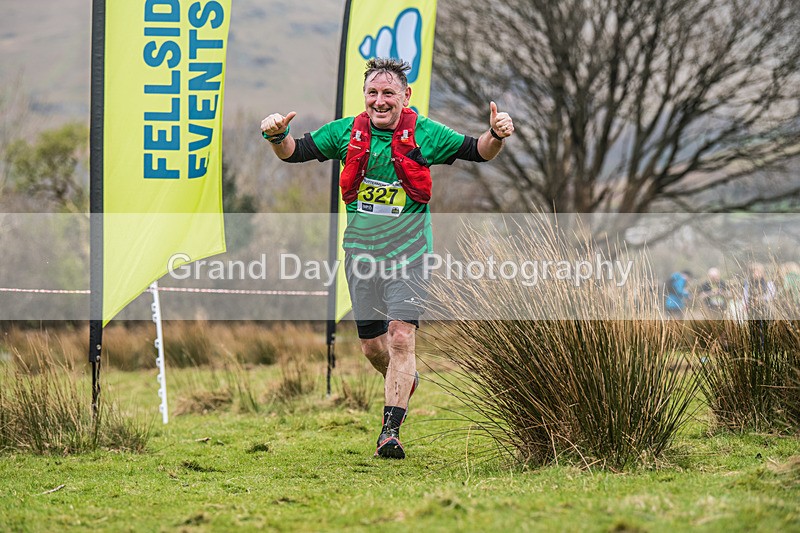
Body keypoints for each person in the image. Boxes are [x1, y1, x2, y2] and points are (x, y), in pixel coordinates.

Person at [260, 58, 514, 459]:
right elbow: (294, 153)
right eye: (373, 93)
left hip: (411, 255)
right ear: (365, 97)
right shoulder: (345, 132)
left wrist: (496, 135)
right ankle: (404, 378)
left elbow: (478, 151)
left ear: (405, 96)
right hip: (361, 255)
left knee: (400, 336)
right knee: (373, 348)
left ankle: (389, 432)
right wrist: (277, 135)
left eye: (388, 93)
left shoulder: (425, 133)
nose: (380, 101)